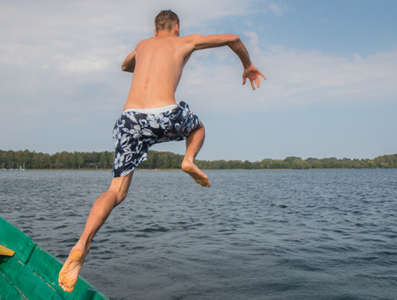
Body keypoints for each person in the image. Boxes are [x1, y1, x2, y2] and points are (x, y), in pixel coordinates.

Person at [58, 9, 265, 293]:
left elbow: (124, 66)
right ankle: (188, 160)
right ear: (176, 27)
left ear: (155, 29)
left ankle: (82, 243)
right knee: (198, 129)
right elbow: (234, 38)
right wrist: (247, 65)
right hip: (163, 113)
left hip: (130, 118)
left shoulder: (142, 45)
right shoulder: (185, 41)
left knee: (115, 191)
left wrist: (142, 61)